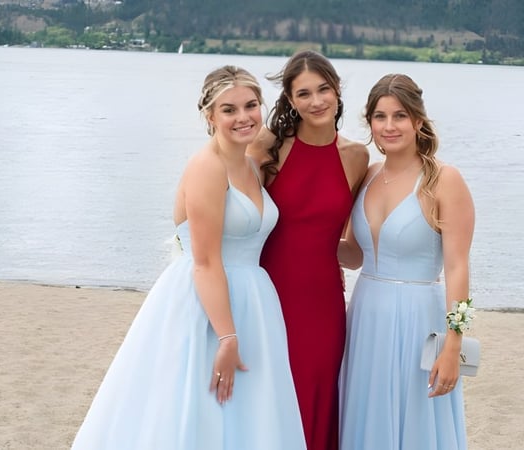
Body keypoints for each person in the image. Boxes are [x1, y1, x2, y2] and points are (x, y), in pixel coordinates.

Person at [71, 66, 306, 450]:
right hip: (207, 306)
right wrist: (228, 338)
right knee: (198, 410)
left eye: (251, 105)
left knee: (249, 414)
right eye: (229, 109)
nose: (243, 116)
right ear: (210, 116)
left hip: (255, 304)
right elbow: (206, 261)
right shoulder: (206, 167)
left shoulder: (250, 164)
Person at [338, 74, 474, 449]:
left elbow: (458, 268)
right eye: (380, 117)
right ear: (370, 123)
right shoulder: (367, 176)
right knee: (365, 414)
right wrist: (304, 241)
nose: (389, 126)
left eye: (400, 116)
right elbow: (354, 255)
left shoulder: (444, 180)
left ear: (417, 120)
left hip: (418, 320)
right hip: (365, 315)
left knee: (413, 419)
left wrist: (453, 345)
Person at [247, 50, 369, 450]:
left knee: (317, 393)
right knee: (269, 391)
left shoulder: (356, 157)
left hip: (323, 302)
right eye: (304, 93)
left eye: (323, 89)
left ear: (337, 91)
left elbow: (348, 245)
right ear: (289, 99)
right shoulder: (267, 147)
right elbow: (239, 216)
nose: (316, 101)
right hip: (269, 292)